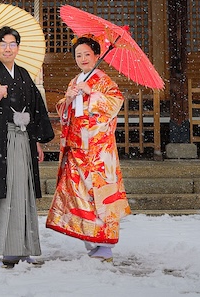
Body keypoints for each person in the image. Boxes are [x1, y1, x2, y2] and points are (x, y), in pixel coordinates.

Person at [0, 25, 54, 268]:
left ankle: (20, 248)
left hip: (23, 141)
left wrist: (35, 141)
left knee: (21, 193)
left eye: (12, 44)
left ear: (18, 47)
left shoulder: (24, 75)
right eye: (3, 44)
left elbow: (36, 110)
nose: (8, 48)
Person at [45, 35, 130, 261]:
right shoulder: (75, 81)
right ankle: (91, 239)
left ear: (96, 56)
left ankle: (104, 244)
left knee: (100, 196)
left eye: (87, 54)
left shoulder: (103, 80)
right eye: (78, 55)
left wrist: (92, 93)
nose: (82, 59)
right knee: (78, 193)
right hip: (76, 147)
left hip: (97, 151)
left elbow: (115, 102)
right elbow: (65, 112)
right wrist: (68, 99)